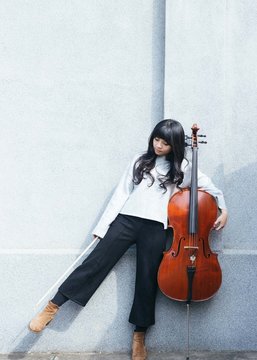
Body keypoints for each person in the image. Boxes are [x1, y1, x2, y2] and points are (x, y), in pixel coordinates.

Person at [29, 119, 228, 360]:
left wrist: (223, 209)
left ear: (174, 144)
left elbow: (211, 189)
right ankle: (52, 307)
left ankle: (139, 337)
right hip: (126, 221)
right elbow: (122, 193)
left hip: (156, 228)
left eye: (165, 142)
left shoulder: (183, 167)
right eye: (156, 139)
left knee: (147, 280)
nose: (158, 145)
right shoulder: (139, 160)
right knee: (95, 263)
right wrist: (103, 226)